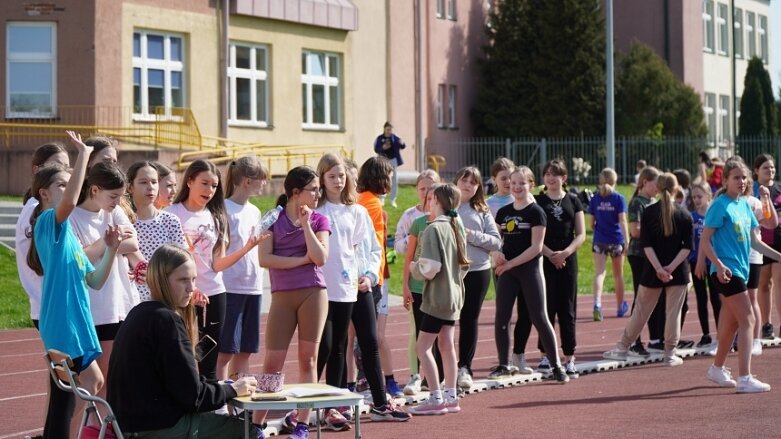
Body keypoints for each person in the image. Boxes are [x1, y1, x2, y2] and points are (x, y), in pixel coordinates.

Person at [28, 131, 123, 437]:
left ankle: (60, 434)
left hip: (76, 323)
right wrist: (83, 153)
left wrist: (109, 249)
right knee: (67, 395)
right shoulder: (46, 222)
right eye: (61, 182)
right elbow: (70, 200)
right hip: (63, 323)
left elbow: (94, 281)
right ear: (44, 193)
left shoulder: (67, 234)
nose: (69, 187)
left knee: (90, 383)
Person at [107, 244, 257, 438]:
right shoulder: (166, 320)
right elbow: (193, 397)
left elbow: (179, 382)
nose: (191, 288)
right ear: (162, 280)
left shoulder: (139, 313)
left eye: (193, 279)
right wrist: (232, 390)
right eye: (183, 280)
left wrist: (218, 387)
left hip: (129, 425)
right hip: (157, 428)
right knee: (247, 431)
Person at [314, 153, 411, 428]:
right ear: (322, 178)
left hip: (360, 287)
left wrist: (369, 275)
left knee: (369, 342)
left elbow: (372, 249)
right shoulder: (318, 212)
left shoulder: (357, 210)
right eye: (331, 176)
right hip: (330, 290)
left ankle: (380, 403)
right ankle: (332, 407)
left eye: (341, 176)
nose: (337, 181)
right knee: (335, 346)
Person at [168, 160, 261, 381]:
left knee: (208, 356)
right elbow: (167, 260)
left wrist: (247, 247)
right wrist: (193, 288)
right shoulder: (172, 214)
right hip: (184, 297)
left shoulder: (216, 216)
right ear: (189, 181)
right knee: (183, 355)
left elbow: (217, 264)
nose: (209, 190)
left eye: (214, 186)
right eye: (204, 183)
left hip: (215, 295)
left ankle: (212, 409)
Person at [255, 166, 330, 439]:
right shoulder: (271, 219)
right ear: (296, 193)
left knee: (308, 359)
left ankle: (302, 423)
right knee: (272, 361)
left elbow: (320, 257)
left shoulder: (320, 219)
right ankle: (257, 424)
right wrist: (300, 260)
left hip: (313, 293)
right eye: (313, 189)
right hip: (282, 296)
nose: (318, 194)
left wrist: (307, 225)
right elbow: (265, 259)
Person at [698, 158, 781, 393]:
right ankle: (745, 377)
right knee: (749, 319)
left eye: (744, 177)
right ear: (725, 181)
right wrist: (718, 264)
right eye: (736, 177)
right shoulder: (719, 205)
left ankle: (717, 368)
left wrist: (779, 256)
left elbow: (756, 241)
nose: (741, 181)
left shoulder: (744, 205)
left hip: (741, 270)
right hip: (726, 270)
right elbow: (704, 241)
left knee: (732, 323)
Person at [603, 173, 693, 367]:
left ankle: (622, 347)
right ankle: (670, 353)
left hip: (653, 269)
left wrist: (659, 268)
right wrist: (671, 267)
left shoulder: (649, 212)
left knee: (641, 311)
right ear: (677, 189)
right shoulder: (685, 214)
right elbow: (688, 247)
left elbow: (646, 244)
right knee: (673, 313)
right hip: (677, 271)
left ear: (658, 189)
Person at [489, 166, 569, 383]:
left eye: (521, 183)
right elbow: (495, 238)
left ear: (531, 185)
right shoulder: (504, 212)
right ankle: (504, 364)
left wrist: (510, 264)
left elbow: (536, 247)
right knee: (502, 318)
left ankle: (556, 365)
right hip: (507, 270)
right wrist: (496, 253)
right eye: (513, 183)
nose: (516, 187)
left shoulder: (536, 212)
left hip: (529, 269)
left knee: (539, 317)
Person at [70, 161, 140, 401]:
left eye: (121, 196)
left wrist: (109, 244)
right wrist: (106, 241)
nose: (117, 202)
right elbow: (80, 258)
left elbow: (133, 243)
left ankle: (103, 429)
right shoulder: (74, 217)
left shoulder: (114, 211)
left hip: (117, 304)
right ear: (95, 190)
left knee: (114, 378)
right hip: (93, 305)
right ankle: (93, 430)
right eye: (113, 196)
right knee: (96, 382)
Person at [15, 141, 70, 439]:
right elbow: (44, 264)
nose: (65, 172)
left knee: (64, 387)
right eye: (57, 166)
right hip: (51, 310)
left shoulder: (40, 210)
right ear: (39, 174)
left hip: (51, 308)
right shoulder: (38, 212)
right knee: (68, 387)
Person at [408, 183, 468, 415]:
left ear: (437, 202)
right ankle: (451, 396)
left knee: (422, 347)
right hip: (454, 295)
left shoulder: (434, 228)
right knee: (447, 345)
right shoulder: (456, 225)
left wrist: (415, 268)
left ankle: (435, 397)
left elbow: (431, 267)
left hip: (438, 297)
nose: (429, 202)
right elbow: (463, 263)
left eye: (432, 199)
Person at [217, 157, 269, 386]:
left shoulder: (255, 211)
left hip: (253, 287)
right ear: (247, 181)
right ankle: (220, 406)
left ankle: (241, 405)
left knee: (245, 350)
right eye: (262, 179)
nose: (265, 184)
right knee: (225, 351)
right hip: (230, 287)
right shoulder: (223, 209)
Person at [533, 159, 586, 378]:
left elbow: (581, 233)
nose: (551, 178)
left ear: (564, 178)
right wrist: (549, 254)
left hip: (568, 260)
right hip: (544, 259)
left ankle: (569, 357)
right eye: (547, 173)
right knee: (546, 308)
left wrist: (565, 253)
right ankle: (546, 355)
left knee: (568, 309)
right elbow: (532, 235)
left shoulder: (574, 201)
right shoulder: (537, 202)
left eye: (555, 174)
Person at [356, 156, 403, 396]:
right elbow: (371, 244)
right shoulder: (371, 204)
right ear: (382, 177)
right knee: (367, 336)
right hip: (370, 277)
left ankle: (362, 383)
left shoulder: (368, 201)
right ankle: (367, 385)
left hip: (373, 275)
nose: (393, 180)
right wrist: (375, 274)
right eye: (391, 176)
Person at [454, 167, 502, 389]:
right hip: (450, 273)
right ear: (456, 181)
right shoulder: (445, 205)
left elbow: (496, 241)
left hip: (477, 272)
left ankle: (465, 367)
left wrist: (470, 235)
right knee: (443, 322)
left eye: (473, 183)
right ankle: (437, 371)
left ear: (479, 187)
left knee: (468, 319)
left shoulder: (482, 210)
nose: (468, 185)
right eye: (464, 180)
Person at [395, 169, 440, 394]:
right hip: (417, 281)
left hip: (439, 285)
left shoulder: (447, 217)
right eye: (422, 189)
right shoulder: (410, 216)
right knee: (417, 329)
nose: (426, 194)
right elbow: (399, 245)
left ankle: (438, 377)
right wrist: (416, 243)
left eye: (431, 189)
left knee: (440, 331)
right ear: (417, 190)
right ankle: (414, 375)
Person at [126, 161, 186, 301]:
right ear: (130, 187)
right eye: (143, 182)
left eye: (154, 182)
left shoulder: (170, 221)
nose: (150, 187)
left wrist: (155, 274)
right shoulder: (122, 222)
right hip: (129, 301)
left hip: (163, 299)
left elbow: (182, 261)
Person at [625, 166, 660, 356]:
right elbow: (635, 231)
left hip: (653, 255)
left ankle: (655, 339)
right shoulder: (638, 203)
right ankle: (633, 341)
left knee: (653, 297)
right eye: (656, 183)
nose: (659, 187)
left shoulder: (654, 201)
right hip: (639, 255)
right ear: (645, 182)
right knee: (641, 296)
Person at [589, 168, 628, 322]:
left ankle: (597, 305)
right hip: (616, 239)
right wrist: (627, 240)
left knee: (600, 272)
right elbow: (622, 220)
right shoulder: (618, 198)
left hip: (600, 239)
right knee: (618, 275)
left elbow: (591, 223)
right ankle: (620, 307)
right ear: (614, 180)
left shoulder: (595, 198)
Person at [752, 153, 781, 340]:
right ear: (756, 171)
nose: (769, 170)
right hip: (759, 242)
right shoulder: (751, 190)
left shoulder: (779, 188)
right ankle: (766, 324)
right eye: (765, 168)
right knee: (763, 284)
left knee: (780, 283)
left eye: (771, 167)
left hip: (779, 241)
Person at [689, 181, 720, 348]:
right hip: (696, 262)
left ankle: (721, 333)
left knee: (716, 299)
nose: (696, 200)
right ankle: (706, 334)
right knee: (701, 298)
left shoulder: (714, 215)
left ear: (709, 196)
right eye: (694, 197)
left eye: (699, 196)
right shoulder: (692, 217)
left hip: (713, 262)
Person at [373, 121, 406, 208]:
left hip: (393, 160)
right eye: (388, 129)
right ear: (384, 129)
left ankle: (393, 200)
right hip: (383, 160)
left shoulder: (395, 137)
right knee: (382, 178)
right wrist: (383, 148)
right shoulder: (379, 138)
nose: (389, 131)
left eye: (390, 130)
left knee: (394, 179)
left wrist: (402, 143)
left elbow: (402, 146)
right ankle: (382, 198)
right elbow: (376, 149)